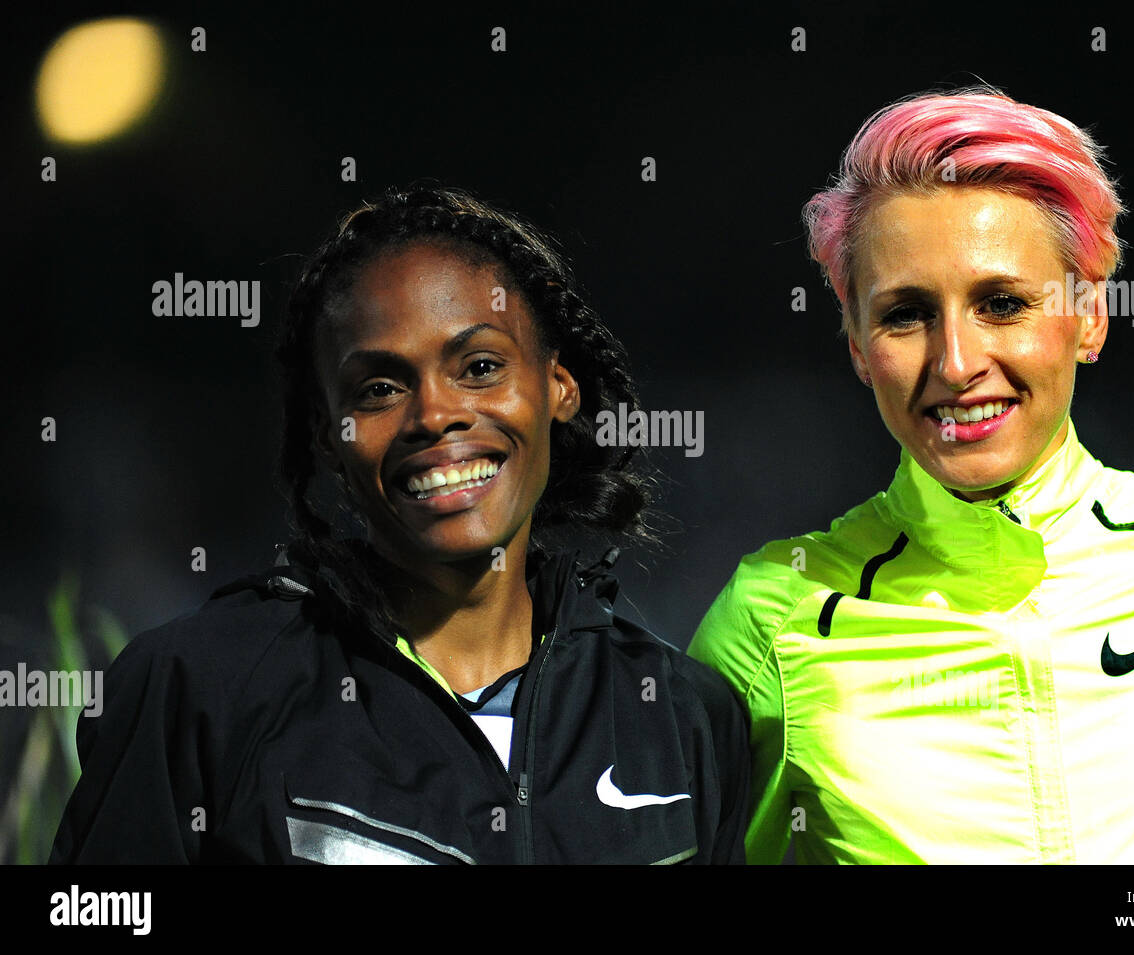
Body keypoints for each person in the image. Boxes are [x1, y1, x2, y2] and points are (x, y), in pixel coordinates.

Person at [50, 184, 749, 865]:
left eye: (479, 366)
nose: (434, 415)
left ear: (557, 387)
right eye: (380, 388)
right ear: (328, 435)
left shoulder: (682, 715)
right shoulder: (200, 688)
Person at [688, 87, 1134, 864]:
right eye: (904, 314)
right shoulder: (772, 617)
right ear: (855, 345)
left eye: (1003, 302)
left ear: (1090, 316)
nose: (956, 363)